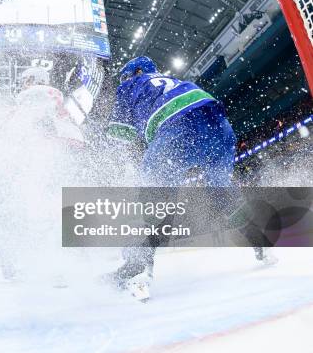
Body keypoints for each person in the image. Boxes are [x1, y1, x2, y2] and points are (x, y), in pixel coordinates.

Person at [104, 56, 275, 301]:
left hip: (177, 127)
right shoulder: (173, 81)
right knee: (221, 193)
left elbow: (121, 136)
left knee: (156, 197)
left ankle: (138, 267)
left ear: (138, 71)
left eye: (127, 76)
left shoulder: (132, 84)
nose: (125, 81)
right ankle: (259, 242)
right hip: (217, 122)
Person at [14, 67, 85, 146]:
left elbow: (24, 116)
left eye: (26, 80)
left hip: (53, 140)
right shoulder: (57, 93)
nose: (23, 84)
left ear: (32, 79)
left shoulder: (28, 93)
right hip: (75, 138)